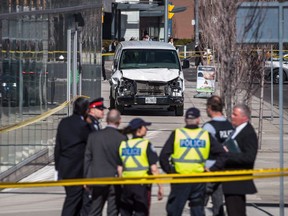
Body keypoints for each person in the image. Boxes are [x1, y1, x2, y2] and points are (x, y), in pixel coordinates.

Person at [160, 107, 227, 216]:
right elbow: (222, 154)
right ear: (198, 120)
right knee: (197, 210)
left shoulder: (177, 134)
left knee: (174, 210)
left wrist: (170, 171)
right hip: (198, 179)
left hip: (180, 179)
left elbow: (163, 156)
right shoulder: (205, 135)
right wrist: (212, 169)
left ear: (185, 120)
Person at [84, 109, 127, 216]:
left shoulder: (94, 136)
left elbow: (87, 158)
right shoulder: (122, 138)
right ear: (119, 121)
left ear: (107, 120)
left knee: (95, 209)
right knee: (113, 211)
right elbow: (124, 160)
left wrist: (86, 178)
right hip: (115, 179)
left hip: (97, 178)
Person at [117, 118, 164, 216]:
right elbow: (154, 169)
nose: (146, 129)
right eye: (144, 127)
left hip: (126, 186)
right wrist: (160, 186)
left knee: (125, 213)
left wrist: (121, 185)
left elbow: (119, 169)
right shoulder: (146, 145)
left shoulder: (123, 145)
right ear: (139, 129)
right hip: (141, 186)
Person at [54, 97, 91, 216]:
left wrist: (58, 167)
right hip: (77, 170)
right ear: (85, 110)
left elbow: (58, 147)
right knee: (72, 200)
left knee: (77, 199)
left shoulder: (64, 122)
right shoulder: (83, 125)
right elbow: (90, 145)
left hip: (65, 168)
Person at [222, 104, 258, 216]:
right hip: (230, 182)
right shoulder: (236, 130)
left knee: (236, 212)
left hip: (237, 182)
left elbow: (249, 157)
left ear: (244, 117)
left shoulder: (248, 133)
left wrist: (228, 154)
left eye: (235, 114)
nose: (231, 116)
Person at [202, 95, 234, 216]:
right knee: (218, 202)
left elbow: (202, 149)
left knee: (199, 203)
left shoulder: (209, 127)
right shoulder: (229, 126)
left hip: (209, 169)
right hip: (223, 169)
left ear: (210, 108)